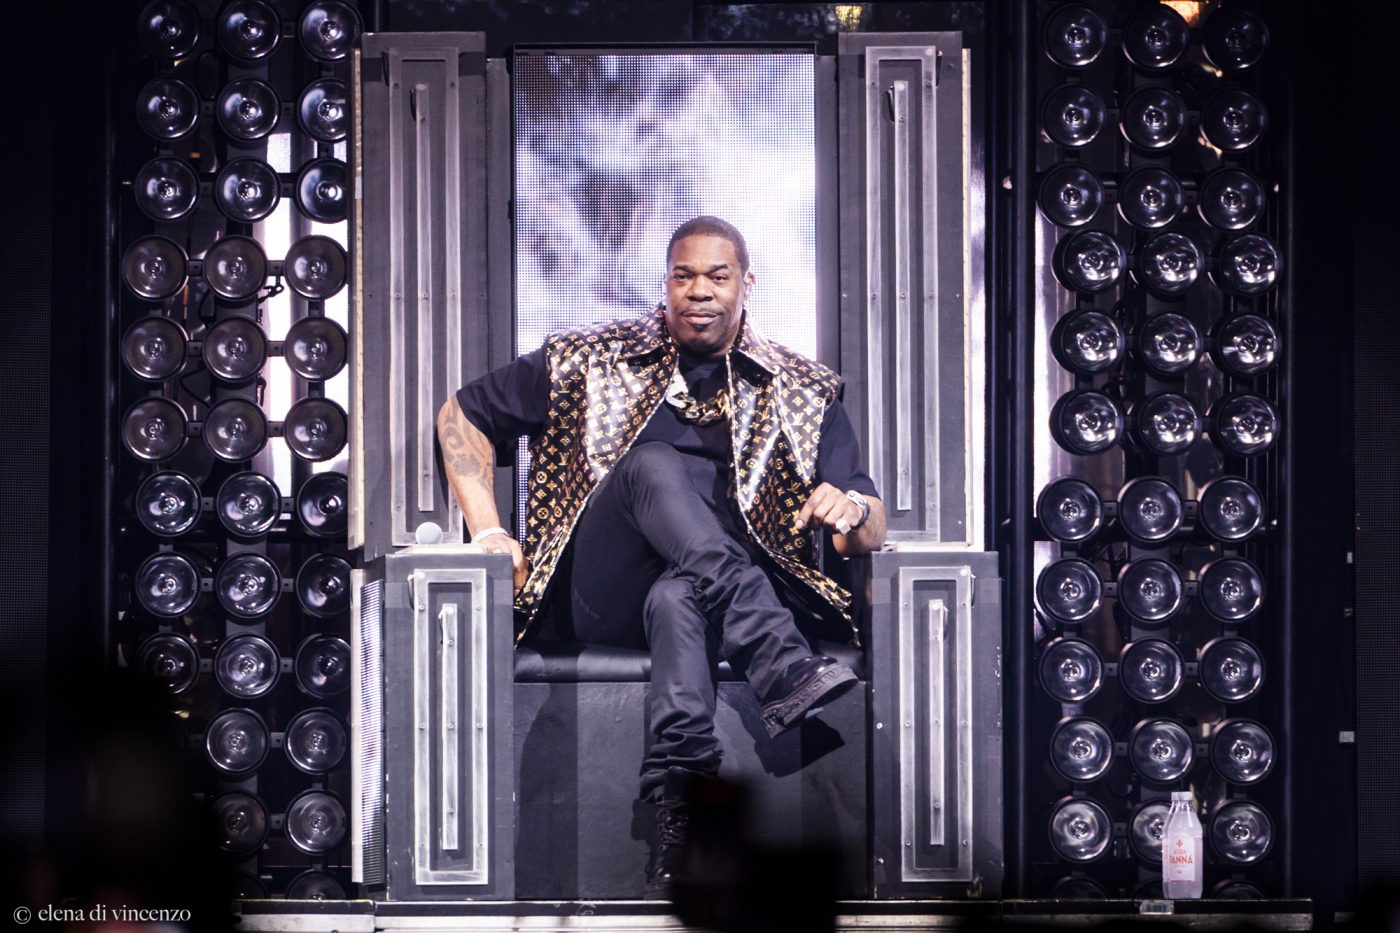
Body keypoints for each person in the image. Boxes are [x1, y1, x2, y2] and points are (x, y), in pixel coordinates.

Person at [436, 215, 886, 896]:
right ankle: (779, 657)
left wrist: (849, 509)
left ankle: (686, 814)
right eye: (684, 275)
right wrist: (488, 530)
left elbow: (867, 524)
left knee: (680, 594)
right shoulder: (591, 359)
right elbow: (461, 413)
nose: (699, 290)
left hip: (698, 604)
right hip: (600, 595)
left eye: (717, 276)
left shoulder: (799, 388)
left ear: (747, 284)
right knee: (651, 464)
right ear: (667, 282)